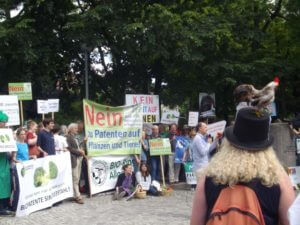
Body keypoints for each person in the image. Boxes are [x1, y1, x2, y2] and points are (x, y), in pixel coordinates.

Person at [190, 107, 295, 225]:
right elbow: (291, 221)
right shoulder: (278, 178)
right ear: (266, 146)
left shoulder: (208, 176)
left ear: (229, 142)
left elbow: (196, 222)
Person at [11, 128, 34, 211]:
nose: (24, 135)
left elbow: (26, 157)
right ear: (18, 135)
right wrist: (18, 161)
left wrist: (32, 157)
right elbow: (13, 158)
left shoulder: (25, 144)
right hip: (18, 168)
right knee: (18, 187)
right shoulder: (16, 145)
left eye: (24, 134)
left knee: (26, 185)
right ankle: (15, 205)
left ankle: (24, 203)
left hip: (26, 168)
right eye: (22, 134)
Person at [66, 123, 85, 204]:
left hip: (78, 158)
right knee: (75, 177)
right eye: (75, 128)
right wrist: (79, 152)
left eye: (77, 128)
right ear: (71, 129)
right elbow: (69, 148)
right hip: (74, 159)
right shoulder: (68, 137)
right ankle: (77, 196)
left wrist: (81, 147)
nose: (77, 130)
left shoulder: (74, 137)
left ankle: (75, 194)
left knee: (77, 177)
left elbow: (76, 147)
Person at [0, 111, 14, 216]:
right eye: (3, 122)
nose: (5, 124)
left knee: (5, 184)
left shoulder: (5, 133)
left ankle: (5, 204)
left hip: (4, 161)